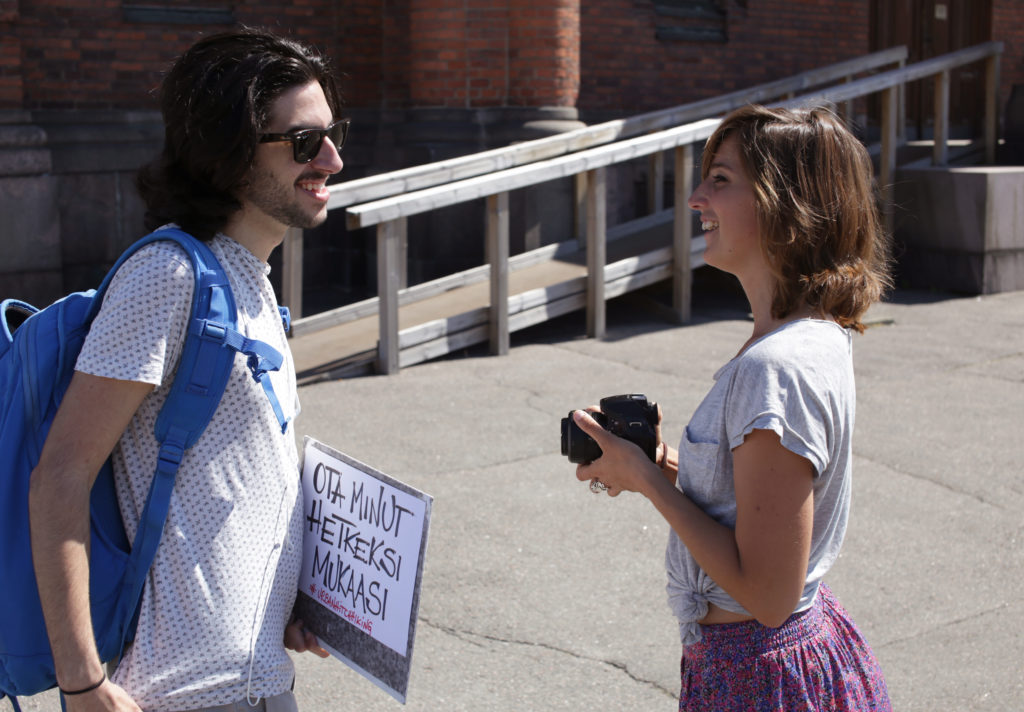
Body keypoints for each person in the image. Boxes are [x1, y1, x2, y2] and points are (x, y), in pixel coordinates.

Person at [28, 28, 348, 712]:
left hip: (259, 681)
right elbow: (60, 477)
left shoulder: (251, 280)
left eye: (332, 134)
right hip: (180, 695)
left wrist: (283, 603)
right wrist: (82, 683)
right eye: (304, 142)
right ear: (230, 151)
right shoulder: (167, 277)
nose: (333, 159)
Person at [571, 104, 893, 711]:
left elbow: (769, 596)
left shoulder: (774, 368)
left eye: (720, 180)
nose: (696, 198)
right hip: (781, 658)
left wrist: (646, 482)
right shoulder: (811, 334)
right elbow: (751, 500)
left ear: (788, 206)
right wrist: (659, 462)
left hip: (759, 676)